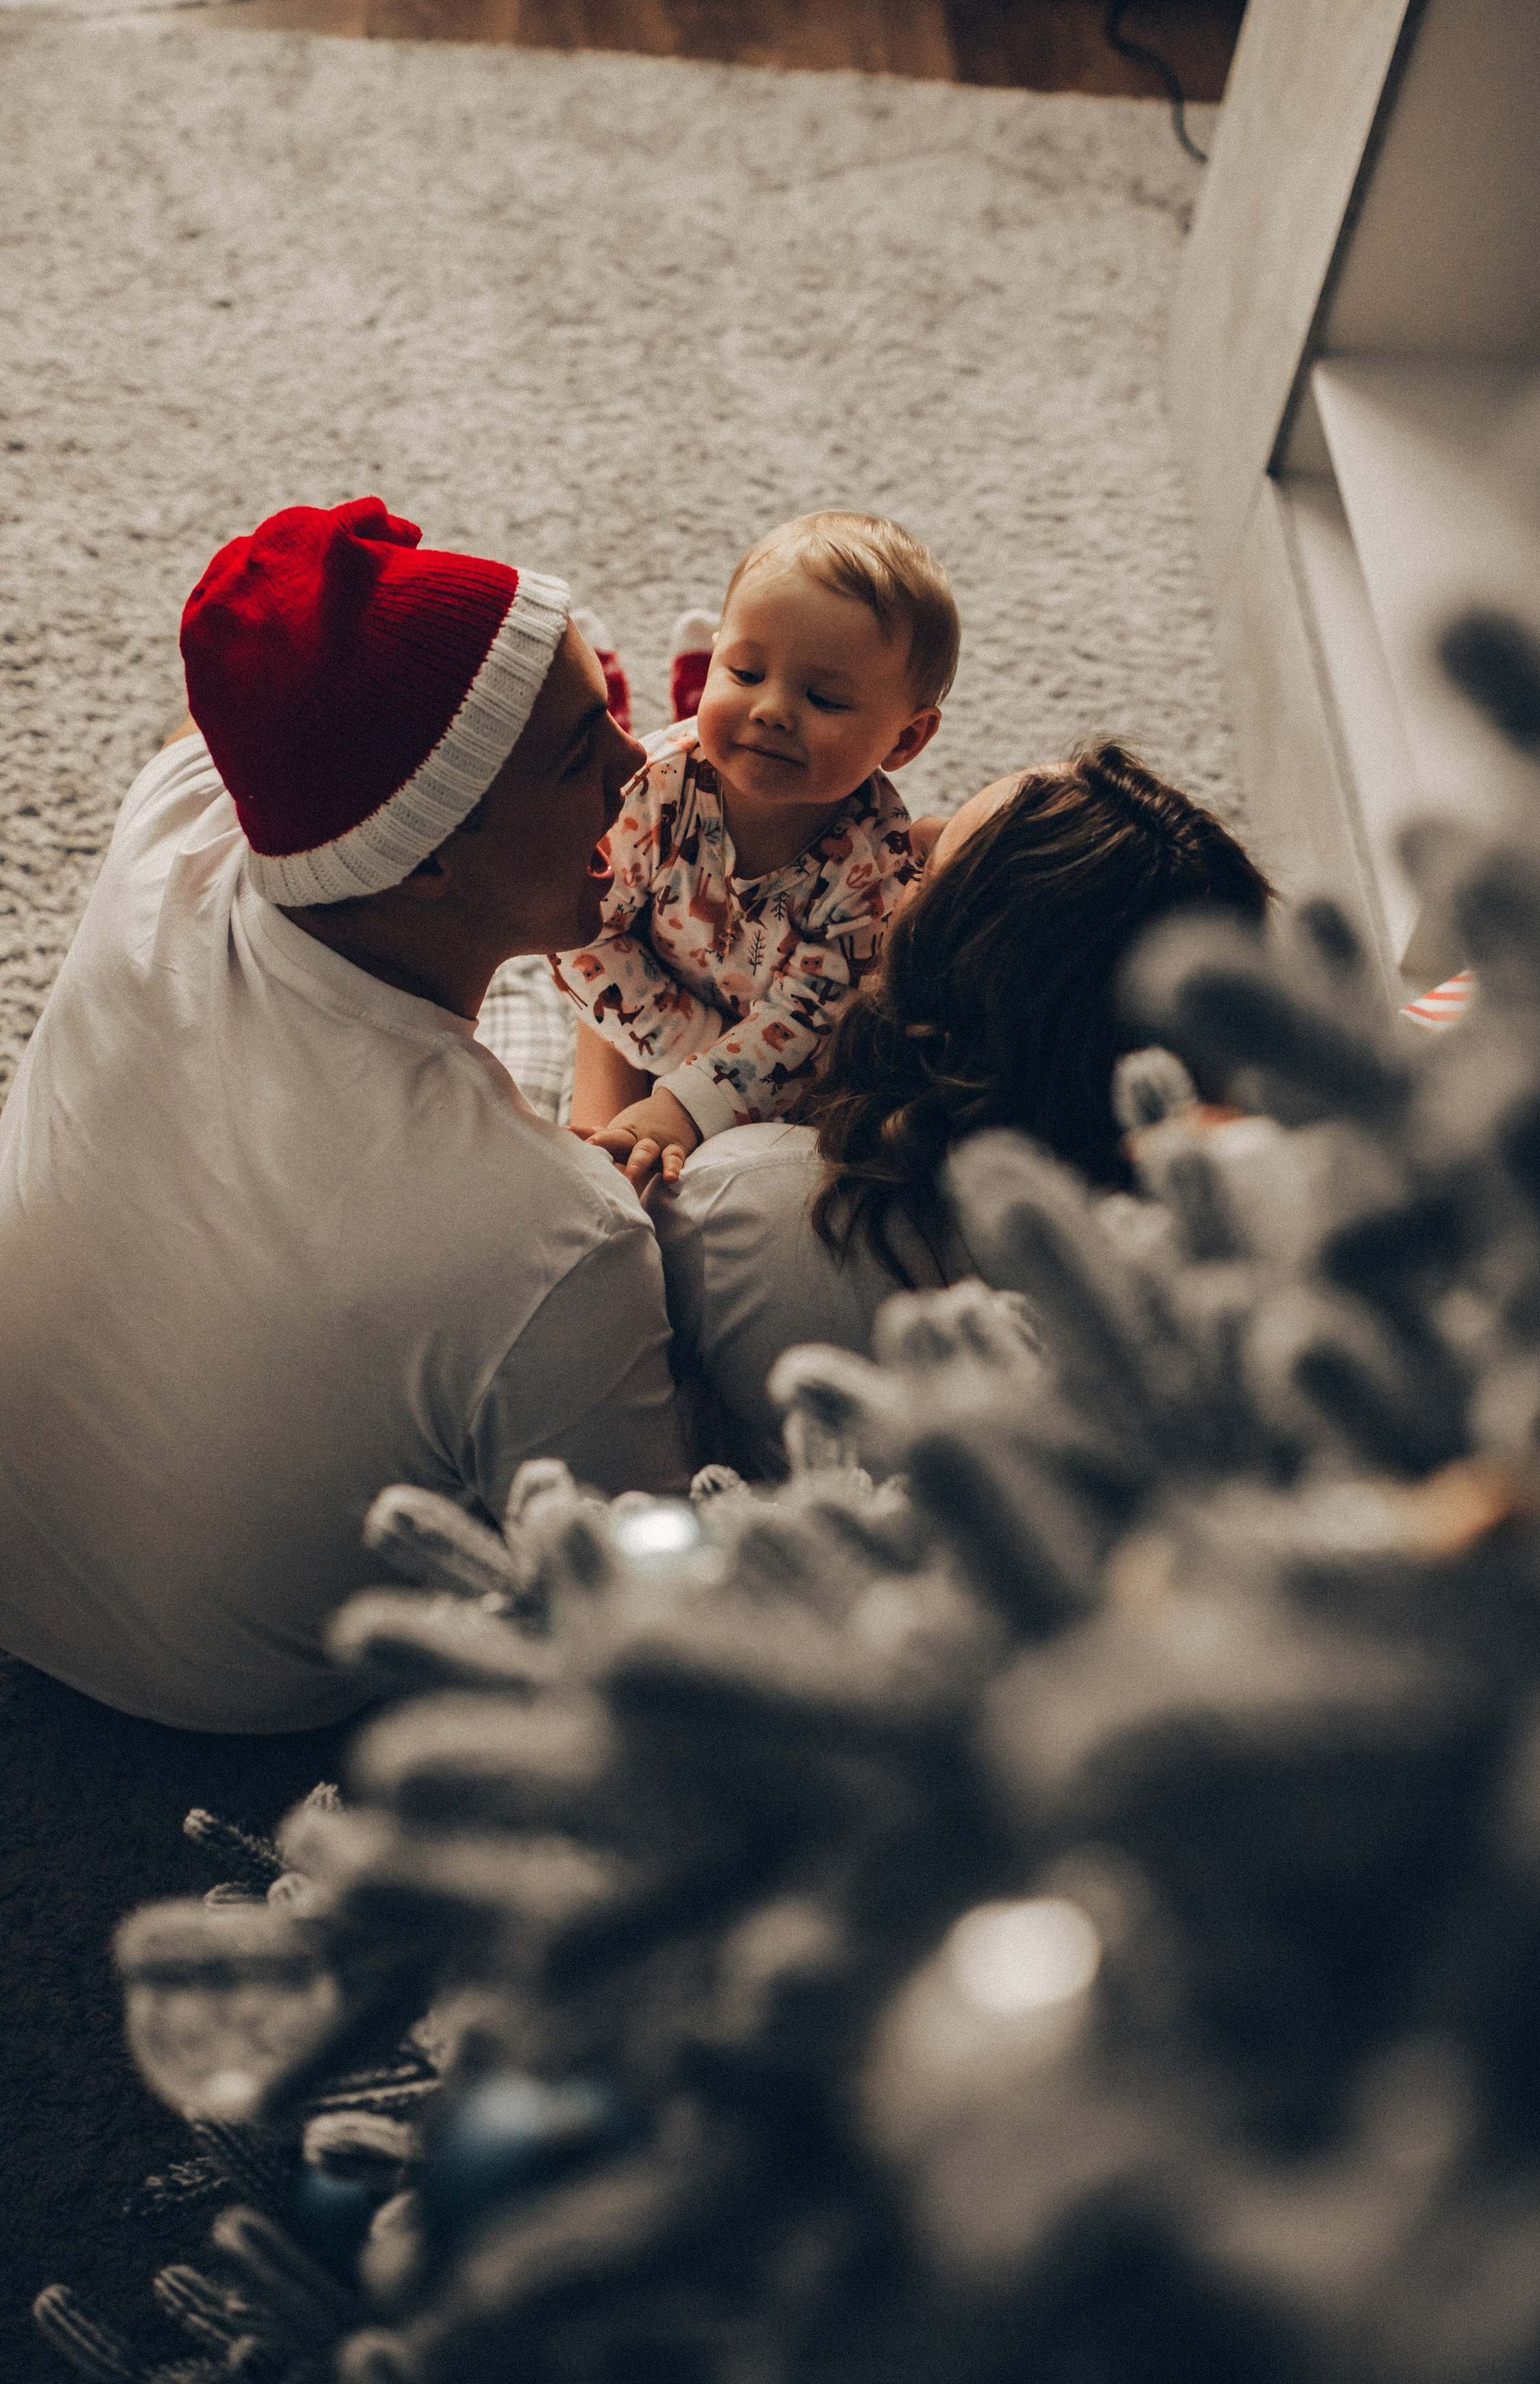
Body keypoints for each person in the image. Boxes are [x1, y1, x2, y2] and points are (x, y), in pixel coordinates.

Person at [0, 497, 689, 1733]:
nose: (642, 768)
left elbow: (225, 725)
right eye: (584, 745)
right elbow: (647, 1606)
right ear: (422, 856)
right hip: (228, 1696)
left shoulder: (175, 826)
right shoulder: (559, 1237)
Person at [651, 742, 1273, 1477]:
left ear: (947, 993)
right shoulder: (1235, 1284)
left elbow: (611, 1248)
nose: (914, 831)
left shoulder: (731, 1200)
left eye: (927, 871)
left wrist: (643, 954)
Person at [551, 510, 957, 1191]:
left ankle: (689, 693)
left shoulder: (874, 870)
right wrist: (686, 1049)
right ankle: (618, 709)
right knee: (595, 1162)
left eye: (823, 698)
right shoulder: (650, 789)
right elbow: (579, 928)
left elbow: (808, 1024)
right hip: (653, 988)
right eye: (741, 670)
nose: (772, 708)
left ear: (905, 741)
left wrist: (687, 1099)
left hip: (759, 1038)